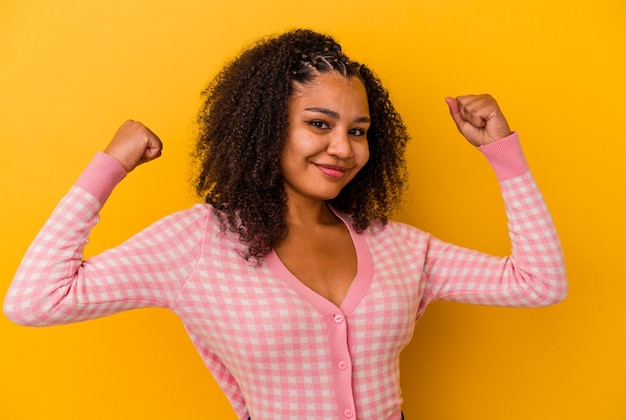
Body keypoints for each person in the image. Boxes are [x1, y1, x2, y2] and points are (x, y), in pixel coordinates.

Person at [3, 29, 567, 420]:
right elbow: (34, 301)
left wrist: (504, 156)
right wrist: (109, 167)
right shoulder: (197, 242)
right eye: (319, 123)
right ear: (267, 126)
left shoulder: (395, 245)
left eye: (359, 130)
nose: (342, 148)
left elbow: (539, 284)